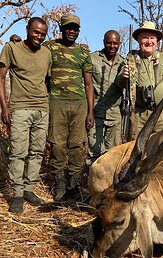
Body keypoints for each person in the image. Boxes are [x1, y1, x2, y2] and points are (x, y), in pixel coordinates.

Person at [0, 17, 52, 213]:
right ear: (27, 29)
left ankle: (29, 189)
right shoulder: (11, 49)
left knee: (37, 151)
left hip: (42, 109)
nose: (38, 36)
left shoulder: (46, 53)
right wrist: (4, 108)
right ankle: (18, 194)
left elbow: (46, 80)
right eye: (35, 32)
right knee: (18, 152)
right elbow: (1, 77)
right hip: (20, 108)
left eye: (42, 34)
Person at [43, 14, 94, 202]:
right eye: (68, 28)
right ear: (61, 28)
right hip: (57, 102)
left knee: (76, 146)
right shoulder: (49, 47)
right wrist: (16, 42)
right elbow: (31, 53)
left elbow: (89, 85)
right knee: (57, 145)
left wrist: (90, 111)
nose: (72, 31)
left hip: (79, 103)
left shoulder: (83, 53)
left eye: (75, 28)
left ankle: (73, 187)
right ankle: (60, 186)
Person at [116, 21, 163, 138]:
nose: (149, 41)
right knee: (136, 147)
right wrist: (123, 76)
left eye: (152, 38)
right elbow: (119, 83)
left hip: (161, 113)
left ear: (156, 41)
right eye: (145, 38)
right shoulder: (130, 59)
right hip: (139, 115)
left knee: (159, 145)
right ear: (138, 40)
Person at [87, 30, 124, 165]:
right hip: (96, 111)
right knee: (94, 152)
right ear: (104, 42)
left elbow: (124, 85)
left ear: (119, 44)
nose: (112, 46)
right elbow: (86, 83)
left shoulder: (123, 62)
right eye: (109, 43)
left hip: (114, 112)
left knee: (113, 153)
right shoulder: (92, 58)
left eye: (115, 43)